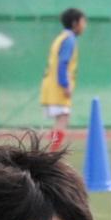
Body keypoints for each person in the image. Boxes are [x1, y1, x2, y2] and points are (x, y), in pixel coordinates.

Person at [39, 8, 85, 150]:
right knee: (62, 118)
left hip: (50, 84)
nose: (84, 25)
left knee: (61, 118)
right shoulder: (69, 40)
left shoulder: (61, 38)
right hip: (57, 86)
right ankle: (51, 154)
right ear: (74, 23)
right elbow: (63, 62)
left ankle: (51, 153)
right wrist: (65, 84)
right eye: (83, 21)